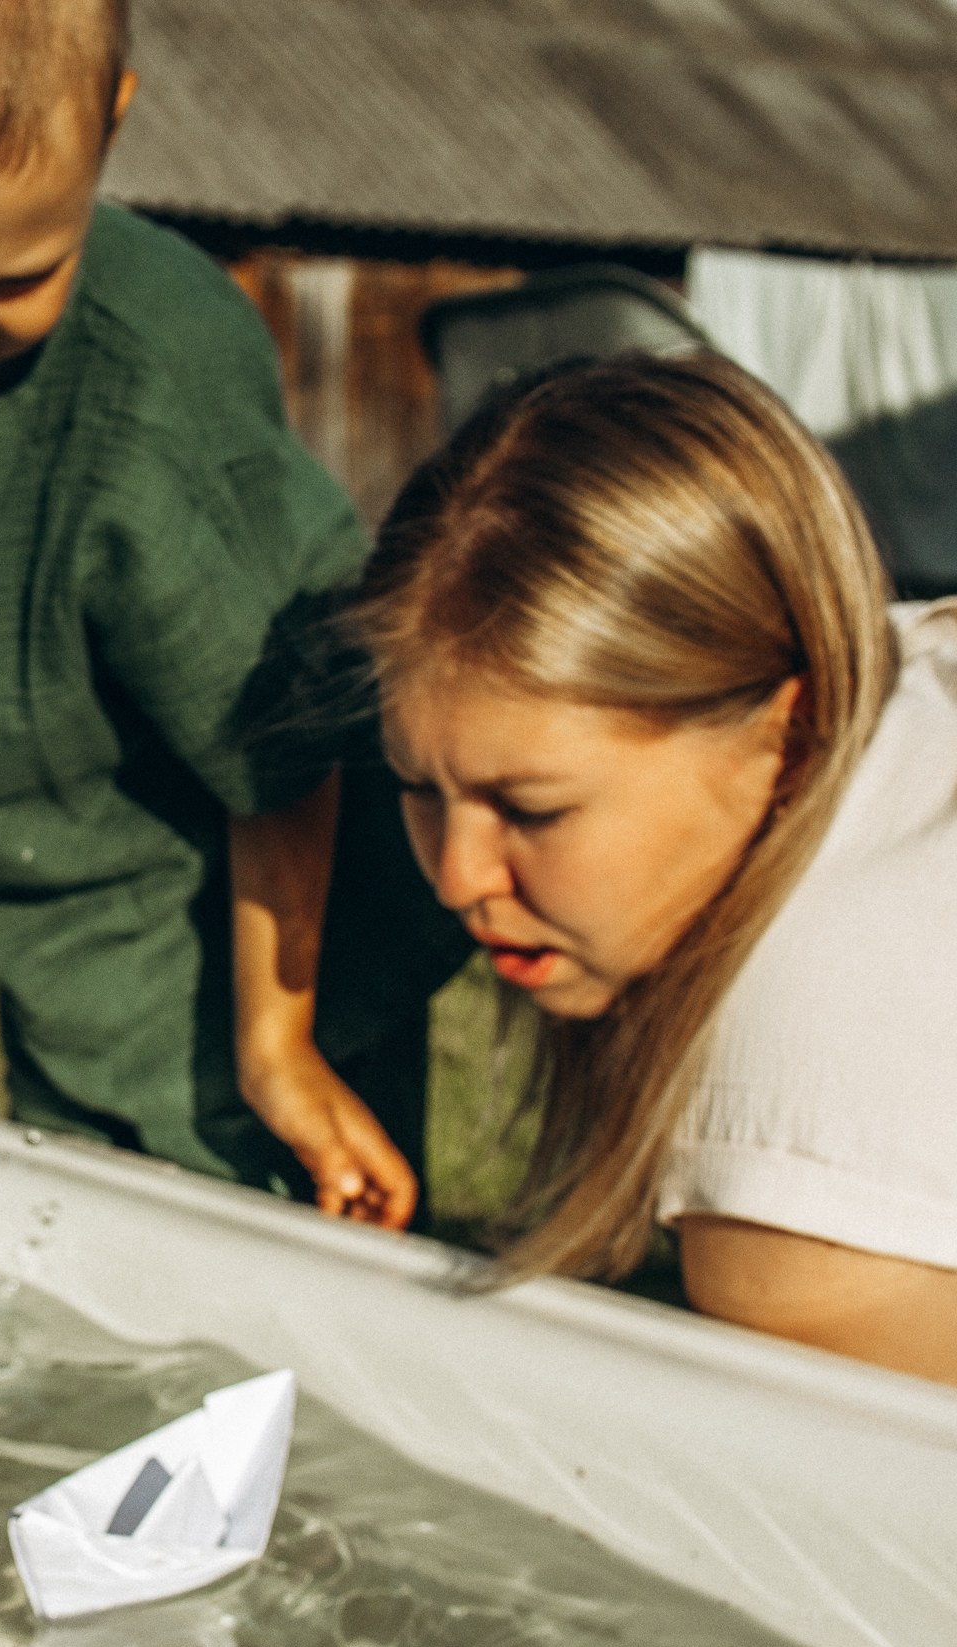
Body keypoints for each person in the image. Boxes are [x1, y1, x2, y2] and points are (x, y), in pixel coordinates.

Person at [0, 0, 465, 1222]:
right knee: (92, 1273)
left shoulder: (154, 375)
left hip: (267, 954)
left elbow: (282, 737)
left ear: (108, 132)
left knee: (276, 1307)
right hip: (64, 934)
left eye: (19, 277)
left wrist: (277, 1051)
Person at [355, 353, 956, 1385]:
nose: (458, 878)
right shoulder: (903, 687)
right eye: (417, 787)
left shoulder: (797, 1169)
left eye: (529, 808)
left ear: (788, 731)